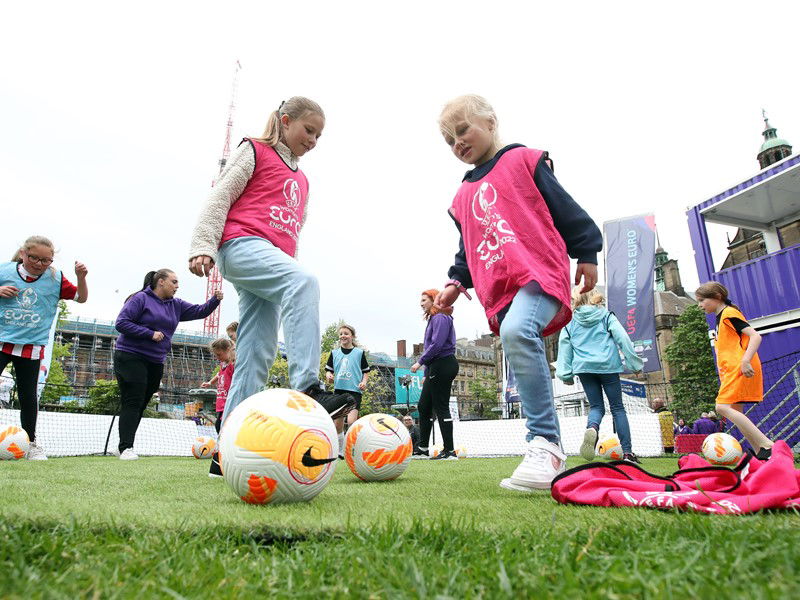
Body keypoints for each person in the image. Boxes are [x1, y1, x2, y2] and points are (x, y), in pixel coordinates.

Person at [433, 95, 602, 490]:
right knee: (513, 336)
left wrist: (587, 251)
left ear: (490, 122)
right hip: (501, 287)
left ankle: (545, 444)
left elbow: (564, 208)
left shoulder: (523, 160)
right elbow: (468, 245)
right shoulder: (462, 196)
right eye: (449, 141)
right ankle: (546, 445)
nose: (458, 143)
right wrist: (456, 282)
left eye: (463, 130)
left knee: (514, 333)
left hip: (540, 273)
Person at [188, 96, 354, 425]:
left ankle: (227, 447)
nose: (313, 140)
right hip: (240, 245)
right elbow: (221, 194)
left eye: (319, 136)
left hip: (271, 264)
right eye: (309, 130)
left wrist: (284, 270)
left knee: (255, 355)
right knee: (304, 282)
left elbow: (293, 233)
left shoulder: (303, 181)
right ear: (286, 120)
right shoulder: (255, 150)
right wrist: (203, 244)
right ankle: (308, 386)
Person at [114, 269, 221, 460]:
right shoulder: (140, 299)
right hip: (131, 355)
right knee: (134, 399)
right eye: (174, 281)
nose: (177, 286)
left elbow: (199, 311)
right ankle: (126, 447)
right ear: (161, 282)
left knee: (142, 402)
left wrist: (215, 300)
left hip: (155, 360)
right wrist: (149, 333)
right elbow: (121, 323)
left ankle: (124, 444)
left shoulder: (176, 305)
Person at [0, 235, 88, 460]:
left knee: (28, 396)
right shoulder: (4, 271)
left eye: (45, 260)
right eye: (34, 258)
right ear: (22, 254)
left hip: (31, 344)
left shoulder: (54, 277)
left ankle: (31, 444)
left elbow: (81, 297)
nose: (39, 264)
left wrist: (81, 277)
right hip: (2, 340)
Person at [556, 288, 643, 463]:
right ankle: (627, 453)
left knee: (596, 407)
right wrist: (634, 364)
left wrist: (566, 375)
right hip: (608, 366)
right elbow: (623, 338)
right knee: (617, 408)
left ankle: (592, 427)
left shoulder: (569, 322)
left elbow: (564, 347)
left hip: (584, 369)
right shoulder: (605, 316)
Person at [696, 281, 773, 459]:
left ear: (717, 297)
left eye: (701, 300)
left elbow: (755, 336)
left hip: (739, 368)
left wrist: (745, 360)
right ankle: (761, 453)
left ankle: (766, 444)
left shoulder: (729, 313)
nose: (700, 305)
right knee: (736, 413)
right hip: (731, 371)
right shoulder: (720, 317)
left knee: (721, 407)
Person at [411, 289, 459, 460]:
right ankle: (423, 447)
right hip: (435, 367)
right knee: (424, 406)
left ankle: (450, 451)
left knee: (441, 406)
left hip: (444, 364)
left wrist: (420, 362)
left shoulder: (440, 318)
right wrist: (427, 372)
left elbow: (437, 345)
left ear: (434, 300)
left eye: (424, 300)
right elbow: (431, 346)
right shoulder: (434, 318)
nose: (421, 303)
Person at [325, 324, 370, 454]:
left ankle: (353, 449)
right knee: (337, 424)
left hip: (354, 391)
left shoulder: (359, 353)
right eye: (341, 334)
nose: (343, 336)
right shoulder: (334, 353)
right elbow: (328, 370)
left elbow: (366, 371)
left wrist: (364, 382)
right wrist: (329, 376)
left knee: (351, 421)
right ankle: (340, 451)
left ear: (352, 336)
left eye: (346, 333)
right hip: (339, 391)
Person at [201, 337, 236, 433]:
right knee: (219, 427)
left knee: (221, 427)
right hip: (221, 402)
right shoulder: (222, 364)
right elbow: (219, 375)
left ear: (228, 350)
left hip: (228, 402)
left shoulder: (232, 365)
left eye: (219, 354)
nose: (217, 357)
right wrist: (210, 382)